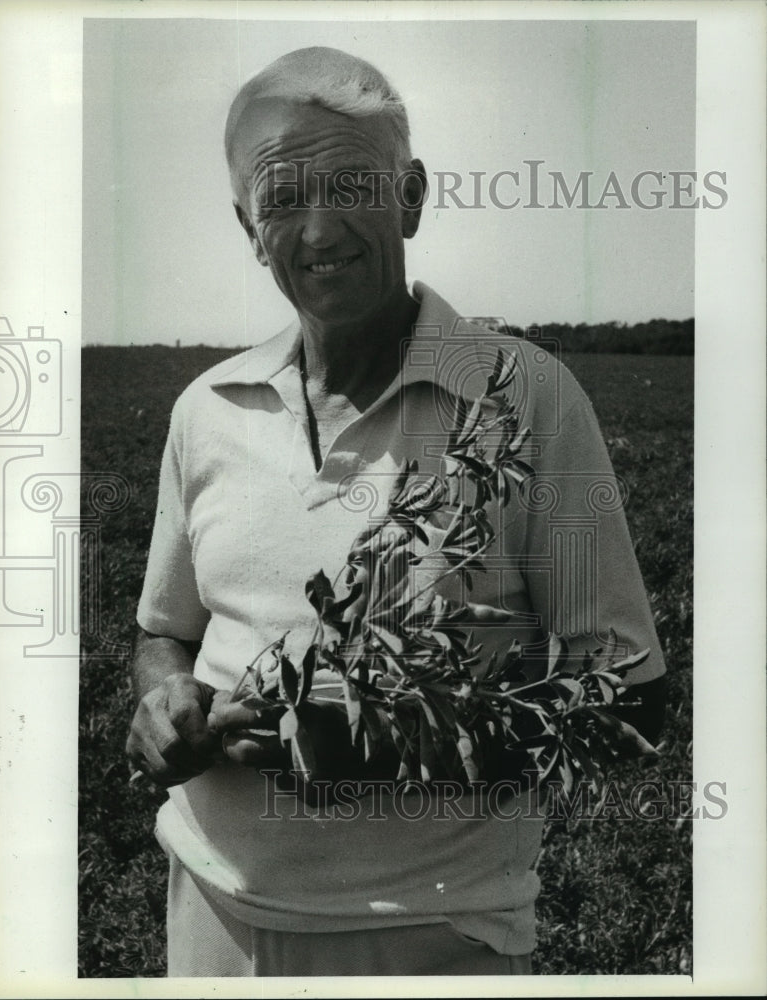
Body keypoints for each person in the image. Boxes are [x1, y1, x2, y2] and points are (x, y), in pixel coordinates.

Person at [126, 46, 667, 977]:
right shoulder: (207, 408)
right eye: (282, 199)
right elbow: (164, 631)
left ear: (409, 197)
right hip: (208, 917)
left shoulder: (526, 398)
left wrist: (379, 745)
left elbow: (628, 700)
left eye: (352, 186)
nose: (318, 228)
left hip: (430, 940)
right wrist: (161, 701)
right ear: (249, 227)